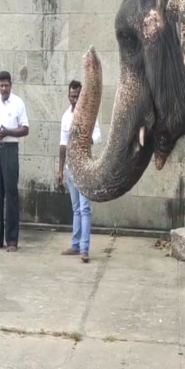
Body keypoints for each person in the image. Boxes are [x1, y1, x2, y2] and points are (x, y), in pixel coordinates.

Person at [57, 80, 102, 263]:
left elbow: (98, 136)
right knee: (76, 208)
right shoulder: (66, 116)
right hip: (70, 168)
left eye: (78, 96)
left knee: (84, 208)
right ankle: (75, 245)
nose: (75, 99)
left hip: (84, 167)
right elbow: (62, 143)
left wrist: (86, 139)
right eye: (72, 96)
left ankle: (85, 249)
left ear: (82, 96)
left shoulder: (89, 114)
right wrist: (60, 170)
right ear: (69, 95)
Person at [0, 71, 29, 252]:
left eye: (7, 85)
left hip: (10, 150)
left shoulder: (18, 103)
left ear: (11, 85)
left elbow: (25, 129)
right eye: (1, 85)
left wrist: (9, 131)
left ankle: (12, 240)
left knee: (11, 194)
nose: (4, 88)